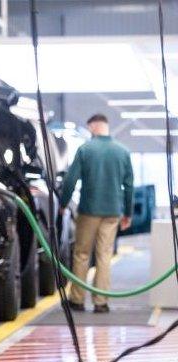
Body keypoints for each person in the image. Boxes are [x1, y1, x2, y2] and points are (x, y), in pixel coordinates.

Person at [59, 113, 135, 313]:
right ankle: (101, 302)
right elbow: (129, 186)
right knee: (104, 255)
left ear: (93, 126)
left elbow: (70, 179)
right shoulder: (123, 152)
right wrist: (128, 213)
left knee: (82, 254)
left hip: (89, 210)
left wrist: (63, 203)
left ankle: (77, 299)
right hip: (112, 212)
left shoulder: (85, 149)